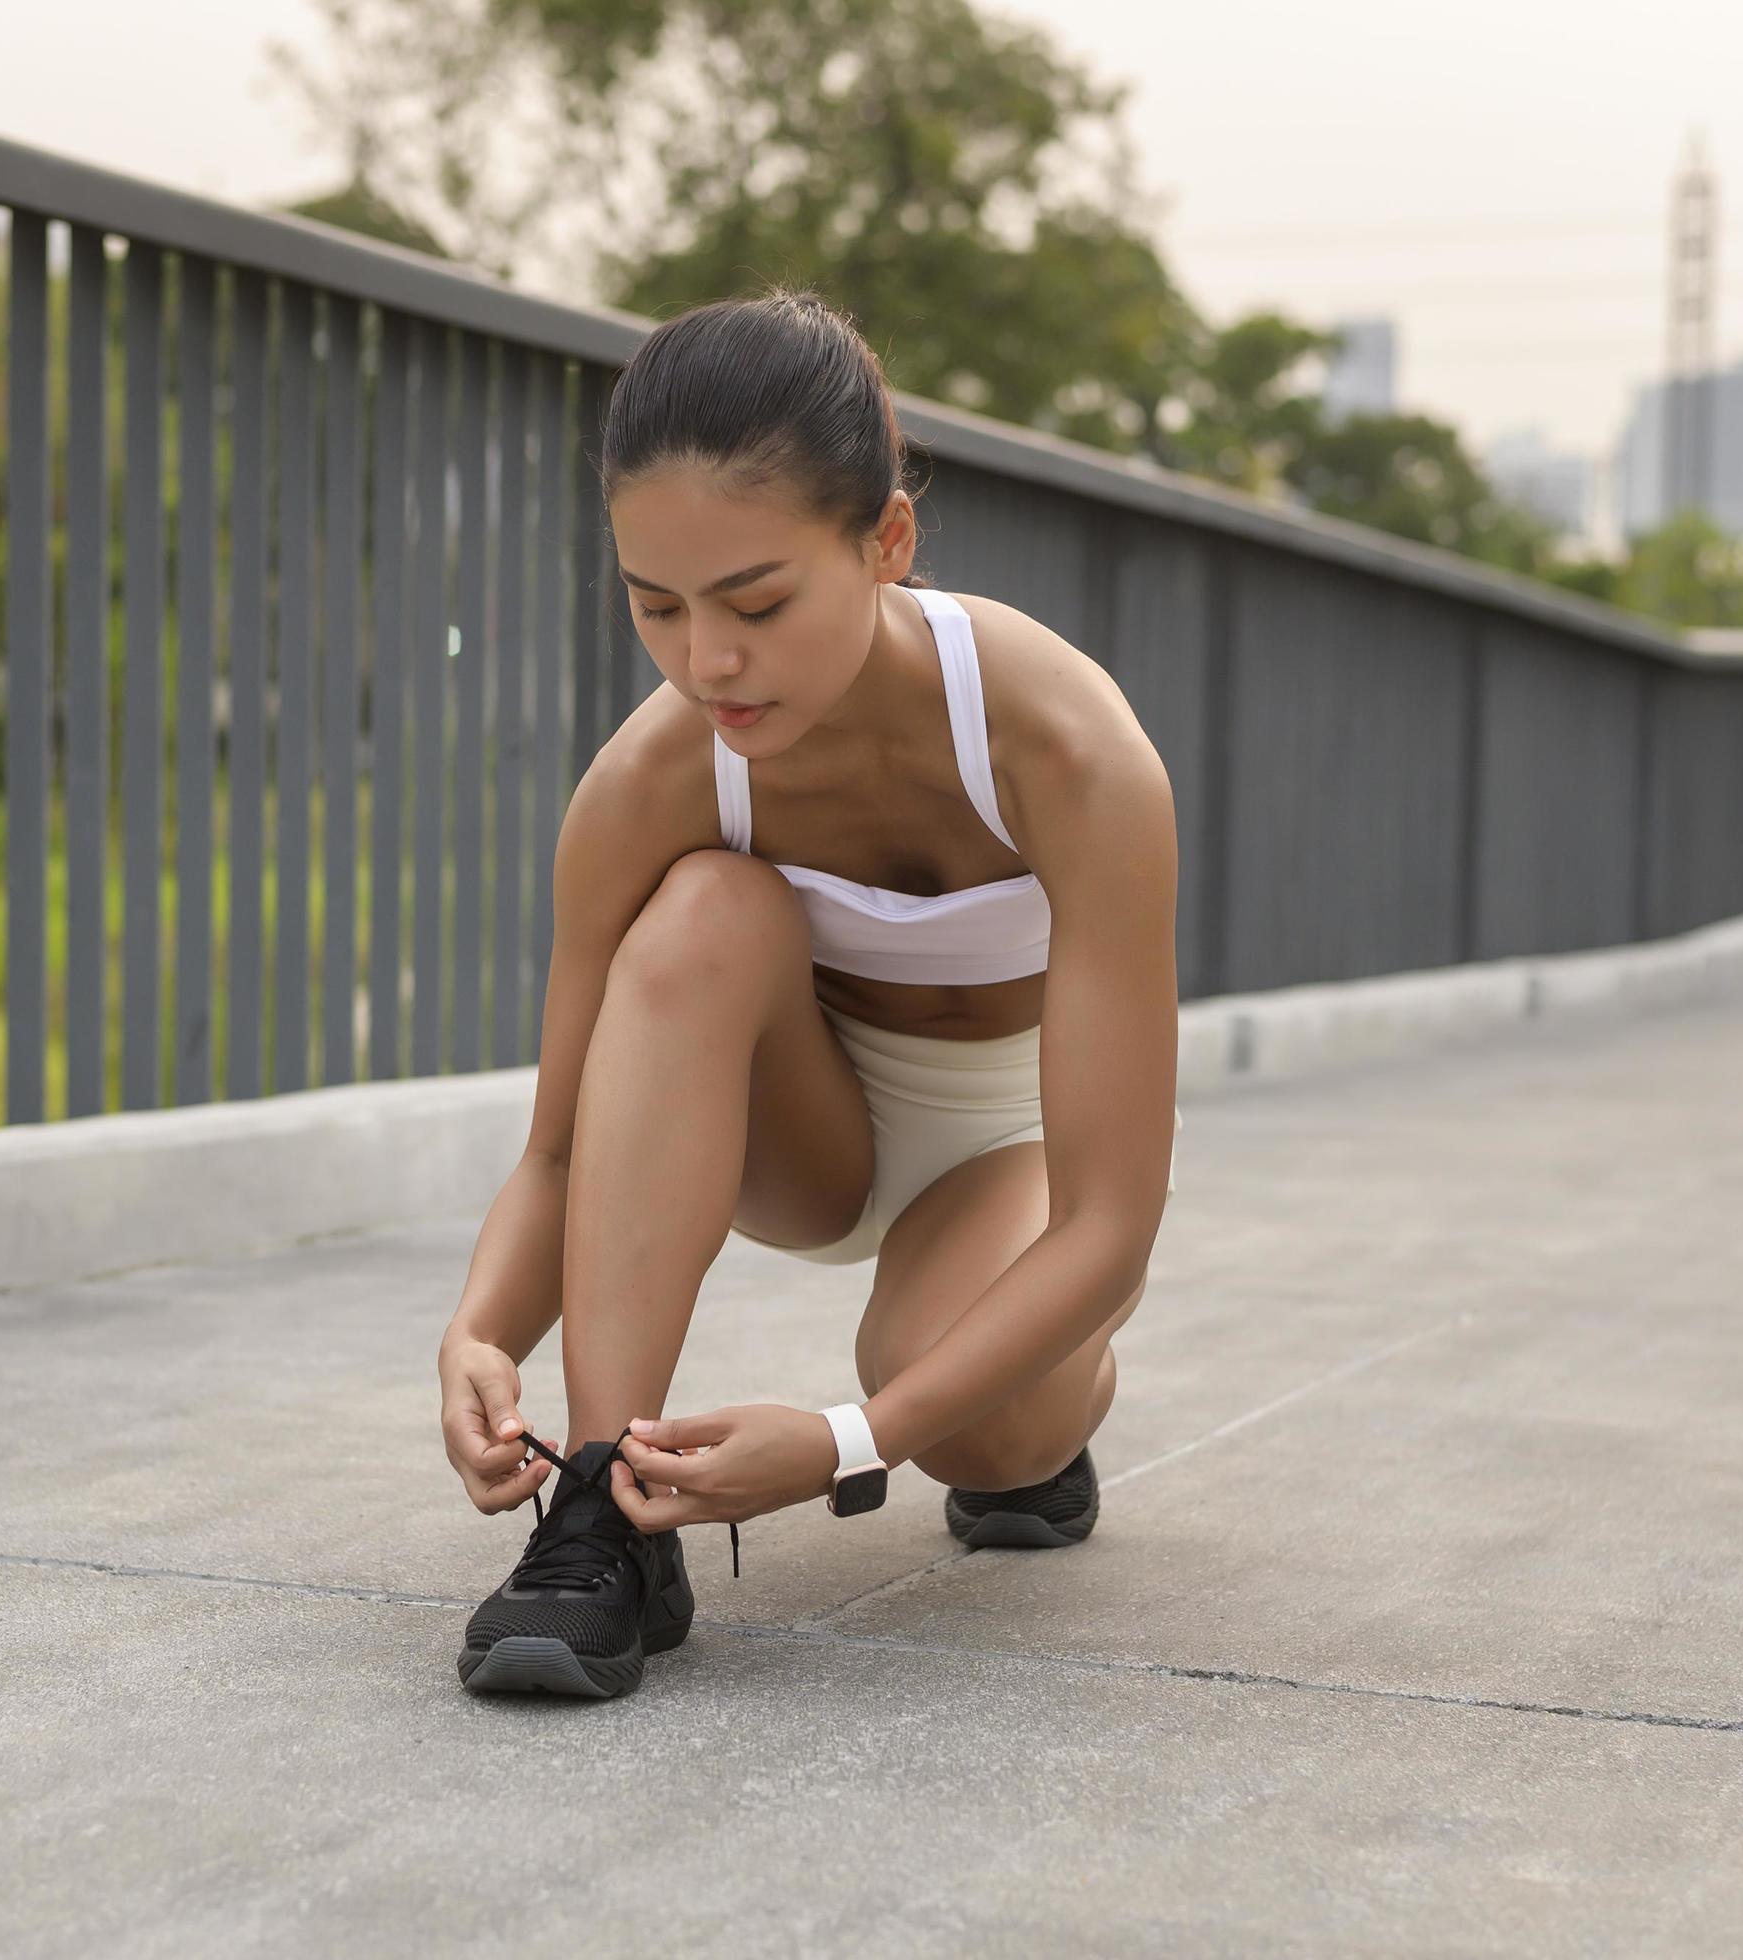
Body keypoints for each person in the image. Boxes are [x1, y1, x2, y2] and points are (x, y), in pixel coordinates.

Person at [435, 291, 1184, 1699]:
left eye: (757, 603)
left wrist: (852, 1439)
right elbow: (558, 1145)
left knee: (976, 1436)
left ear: (885, 542)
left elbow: (1110, 1220)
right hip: (810, 1130)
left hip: (1012, 1152)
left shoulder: (1069, 751)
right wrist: (478, 1334)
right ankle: (610, 1512)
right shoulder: (652, 780)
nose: (705, 662)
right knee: (705, 906)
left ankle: (1054, 1403)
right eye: (655, 606)